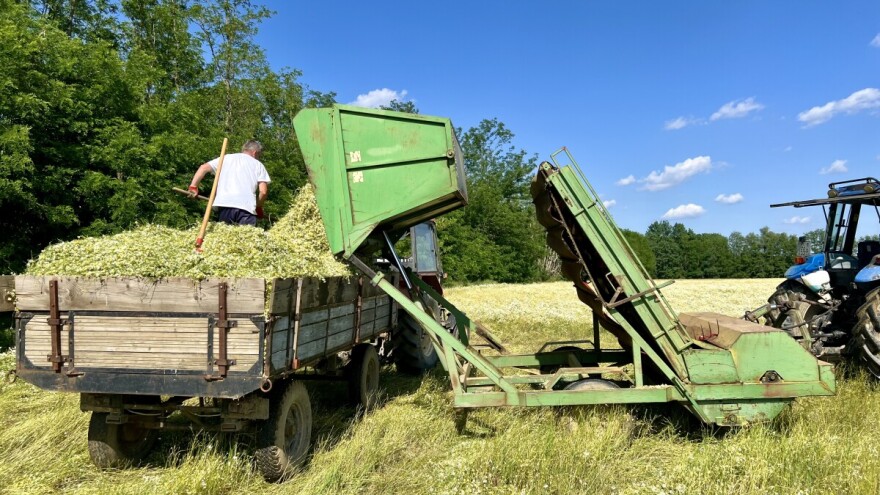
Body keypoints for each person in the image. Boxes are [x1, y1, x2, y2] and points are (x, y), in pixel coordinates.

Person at [188, 140, 270, 226]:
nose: (258, 158)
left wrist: (193, 187)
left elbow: (203, 168)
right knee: (245, 234)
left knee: (226, 233)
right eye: (259, 155)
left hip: (225, 204)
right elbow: (263, 192)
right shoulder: (258, 165)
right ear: (255, 152)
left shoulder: (226, 158)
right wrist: (258, 207)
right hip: (246, 207)